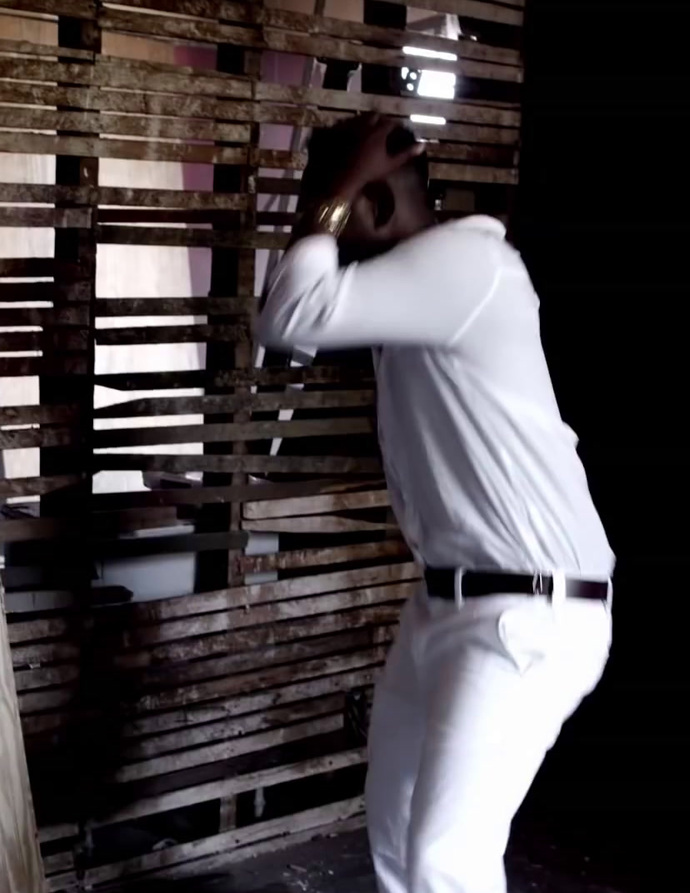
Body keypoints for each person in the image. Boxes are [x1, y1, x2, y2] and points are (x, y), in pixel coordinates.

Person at [257, 113, 615, 893]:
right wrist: (335, 198)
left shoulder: (468, 265)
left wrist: (332, 192)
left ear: (375, 206)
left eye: (335, 212)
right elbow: (297, 317)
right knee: (394, 837)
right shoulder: (416, 296)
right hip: (446, 606)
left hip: (526, 614)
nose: (319, 234)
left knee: (446, 863)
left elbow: (286, 318)